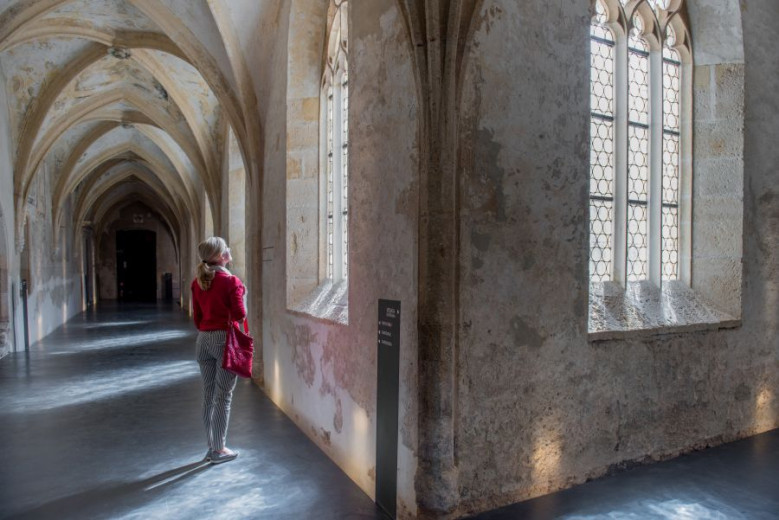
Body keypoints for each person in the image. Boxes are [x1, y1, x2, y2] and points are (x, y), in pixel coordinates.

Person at [191, 236, 246, 464]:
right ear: (221, 256)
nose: (229, 251)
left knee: (208, 395)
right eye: (226, 249)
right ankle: (219, 449)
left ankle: (210, 446)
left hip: (203, 340)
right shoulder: (231, 282)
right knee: (223, 397)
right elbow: (241, 315)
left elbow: (197, 318)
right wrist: (241, 291)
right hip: (224, 341)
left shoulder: (198, 282)